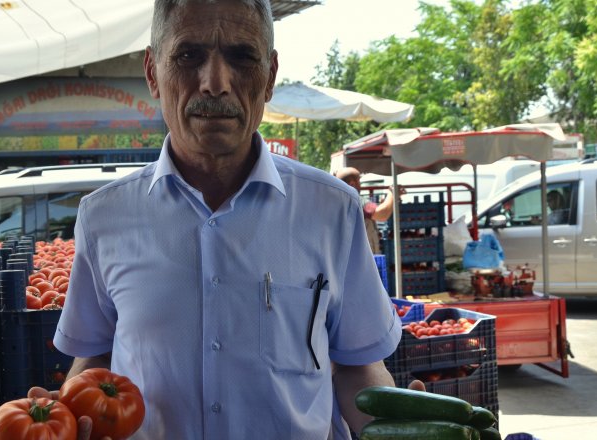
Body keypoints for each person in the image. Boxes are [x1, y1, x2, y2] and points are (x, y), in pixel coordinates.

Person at [54, 1, 415, 438]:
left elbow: (357, 369)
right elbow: (93, 358)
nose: (215, 83)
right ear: (152, 72)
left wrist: (400, 430)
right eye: (188, 55)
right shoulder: (103, 217)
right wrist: (65, 418)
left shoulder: (332, 210)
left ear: (269, 76)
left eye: (242, 57)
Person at [335, 167, 402, 254]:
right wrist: (392, 193)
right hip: (361, 256)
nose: (360, 185)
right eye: (359, 181)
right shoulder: (355, 200)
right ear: (352, 184)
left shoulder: (337, 202)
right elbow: (382, 214)